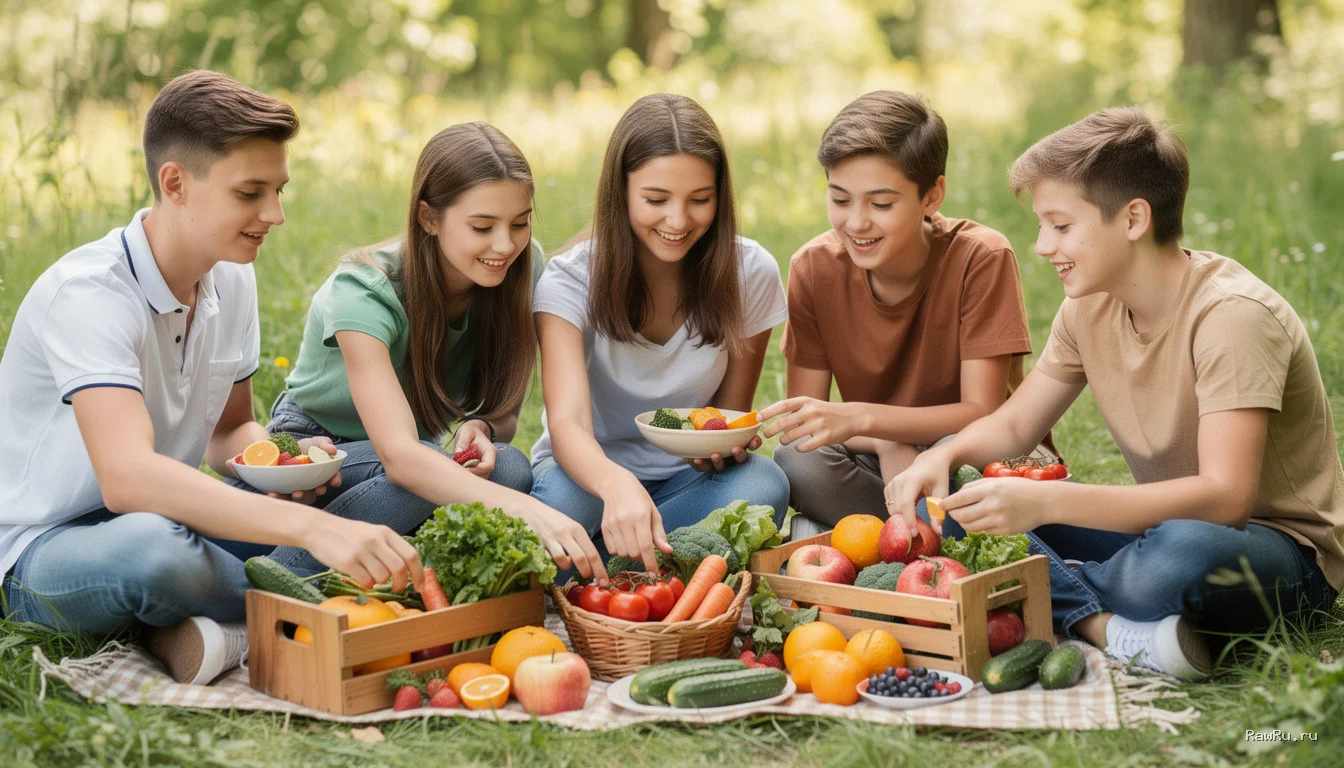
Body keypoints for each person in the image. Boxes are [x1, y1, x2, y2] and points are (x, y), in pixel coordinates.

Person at [885, 106, 1343, 680]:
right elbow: (1013, 428)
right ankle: (1102, 624)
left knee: (1178, 558)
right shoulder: (1088, 306)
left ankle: (1044, 592)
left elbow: (1227, 498)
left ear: (1133, 219)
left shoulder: (1233, 317)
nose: (1042, 246)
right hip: (1157, 526)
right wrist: (940, 456)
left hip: (1279, 555)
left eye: (1060, 225)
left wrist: (1047, 505)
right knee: (961, 477)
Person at [0, 71, 422, 685]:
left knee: (395, 470)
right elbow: (127, 478)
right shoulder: (89, 295)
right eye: (250, 193)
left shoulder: (230, 275)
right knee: (153, 553)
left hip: (174, 513)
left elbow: (230, 433)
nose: (274, 215)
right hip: (47, 548)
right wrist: (313, 527)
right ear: (175, 183)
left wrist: (282, 463)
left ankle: (215, 620)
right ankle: (326, 606)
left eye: (278, 190)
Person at [262, 122, 603, 579]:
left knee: (509, 467)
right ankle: (270, 579)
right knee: (443, 476)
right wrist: (530, 513)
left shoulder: (521, 271)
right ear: (429, 217)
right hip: (320, 449)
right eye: (482, 226)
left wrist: (480, 427)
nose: (505, 245)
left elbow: (502, 417)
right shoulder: (364, 288)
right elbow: (403, 459)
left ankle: (402, 576)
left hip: (415, 455)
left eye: (519, 223)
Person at [761, 90, 1052, 539]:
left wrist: (864, 420)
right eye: (840, 200)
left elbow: (984, 412)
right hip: (874, 457)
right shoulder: (813, 268)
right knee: (799, 459)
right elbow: (806, 425)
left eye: (881, 205)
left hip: (971, 454)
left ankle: (872, 533)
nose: (856, 223)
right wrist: (882, 438)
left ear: (931, 195)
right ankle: (917, 535)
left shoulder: (981, 258)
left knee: (962, 469)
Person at [529, 93, 791, 571]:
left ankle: (606, 564)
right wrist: (614, 484)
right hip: (587, 477)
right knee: (571, 509)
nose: (677, 220)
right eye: (655, 199)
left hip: (686, 482)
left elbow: (728, 414)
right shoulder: (569, 280)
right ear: (621, 191)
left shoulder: (750, 272)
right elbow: (565, 424)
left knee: (764, 486)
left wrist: (722, 447)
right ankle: (653, 558)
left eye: (700, 200)